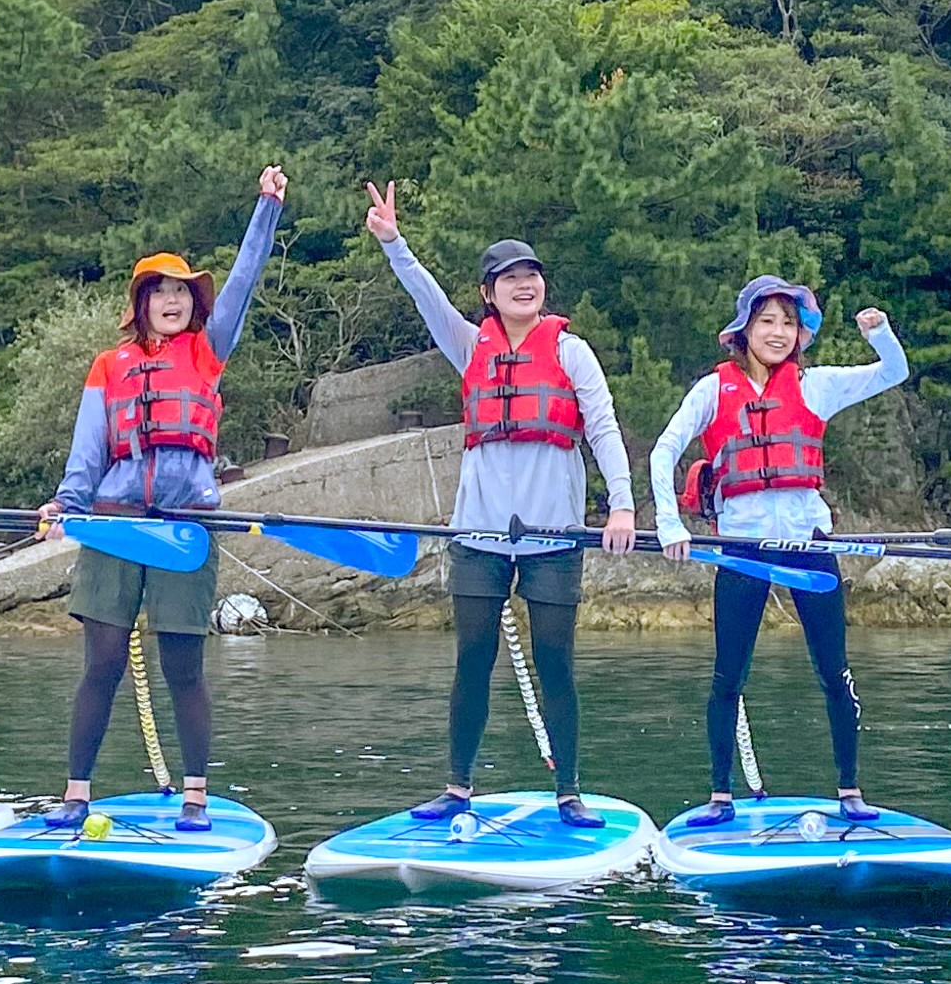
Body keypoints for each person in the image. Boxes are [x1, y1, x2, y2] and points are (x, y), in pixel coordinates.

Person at [363, 183, 641, 826]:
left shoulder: (571, 352)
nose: (524, 285)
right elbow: (425, 297)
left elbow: (603, 428)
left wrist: (622, 507)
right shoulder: (469, 345)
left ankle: (568, 790)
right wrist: (395, 243)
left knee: (556, 662)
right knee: (472, 660)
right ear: (488, 293)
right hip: (478, 536)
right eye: (509, 278)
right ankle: (457, 786)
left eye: (531, 275)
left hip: (554, 537)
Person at [32, 167, 288, 833]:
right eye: (160, 291)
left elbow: (244, 279)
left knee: (182, 663)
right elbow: (88, 449)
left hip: (186, 525)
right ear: (141, 302)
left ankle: (195, 794)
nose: (172, 300)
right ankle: (76, 793)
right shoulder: (108, 366)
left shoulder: (207, 351)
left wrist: (266, 207)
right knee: (103, 661)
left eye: (181, 291)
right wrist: (66, 504)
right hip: (115, 522)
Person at [650, 279, 909, 826]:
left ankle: (849, 790)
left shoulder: (816, 386)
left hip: (807, 543)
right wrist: (669, 523)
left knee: (834, 671)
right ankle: (720, 796)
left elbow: (894, 372)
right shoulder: (712, 390)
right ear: (744, 329)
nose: (778, 332)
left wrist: (879, 333)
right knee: (728, 675)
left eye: (788, 323)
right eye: (767, 321)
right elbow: (664, 449)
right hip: (742, 548)